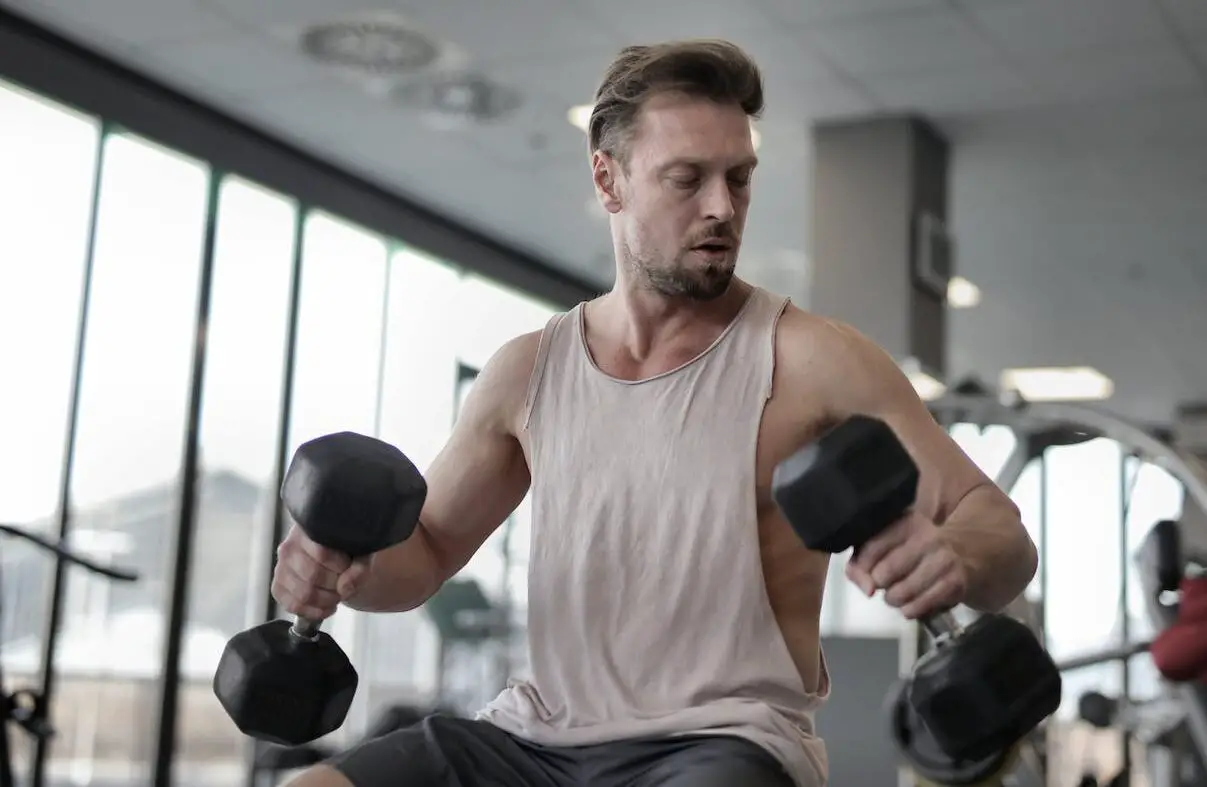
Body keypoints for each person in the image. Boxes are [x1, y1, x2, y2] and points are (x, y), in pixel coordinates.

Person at [271, 39, 1039, 787]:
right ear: (609, 180)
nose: (721, 208)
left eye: (739, 179)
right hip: (533, 739)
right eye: (687, 179)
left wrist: (957, 556)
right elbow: (427, 551)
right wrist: (340, 568)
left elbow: (996, 528)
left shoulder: (813, 360)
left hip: (721, 742)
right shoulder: (528, 371)